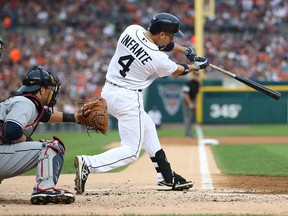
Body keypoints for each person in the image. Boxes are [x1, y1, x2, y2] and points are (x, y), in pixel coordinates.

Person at [74, 12, 209, 193]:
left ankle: (166, 177)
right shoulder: (158, 59)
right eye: (170, 35)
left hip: (109, 91)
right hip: (128, 98)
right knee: (131, 151)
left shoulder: (132, 30)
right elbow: (179, 70)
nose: (171, 38)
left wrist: (184, 50)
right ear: (161, 34)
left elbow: (159, 44)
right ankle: (88, 163)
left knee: (148, 127)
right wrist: (196, 66)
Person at [0, 65, 79, 205]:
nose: (52, 92)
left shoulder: (21, 101)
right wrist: (27, 140)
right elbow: (11, 131)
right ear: (42, 90)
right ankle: (44, 188)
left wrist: (76, 118)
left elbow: (48, 116)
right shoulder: (26, 103)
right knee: (52, 147)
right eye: (50, 89)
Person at [182, 71, 201, 138]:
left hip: (193, 100)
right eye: (196, 75)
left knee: (191, 118)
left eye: (198, 75)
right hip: (187, 101)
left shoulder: (198, 84)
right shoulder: (188, 84)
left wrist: (195, 103)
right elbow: (185, 94)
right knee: (188, 118)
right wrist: (190, 103)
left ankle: (189, 133)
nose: (197, 76)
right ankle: (188, 134)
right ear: (193, 76)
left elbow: (197, 94)